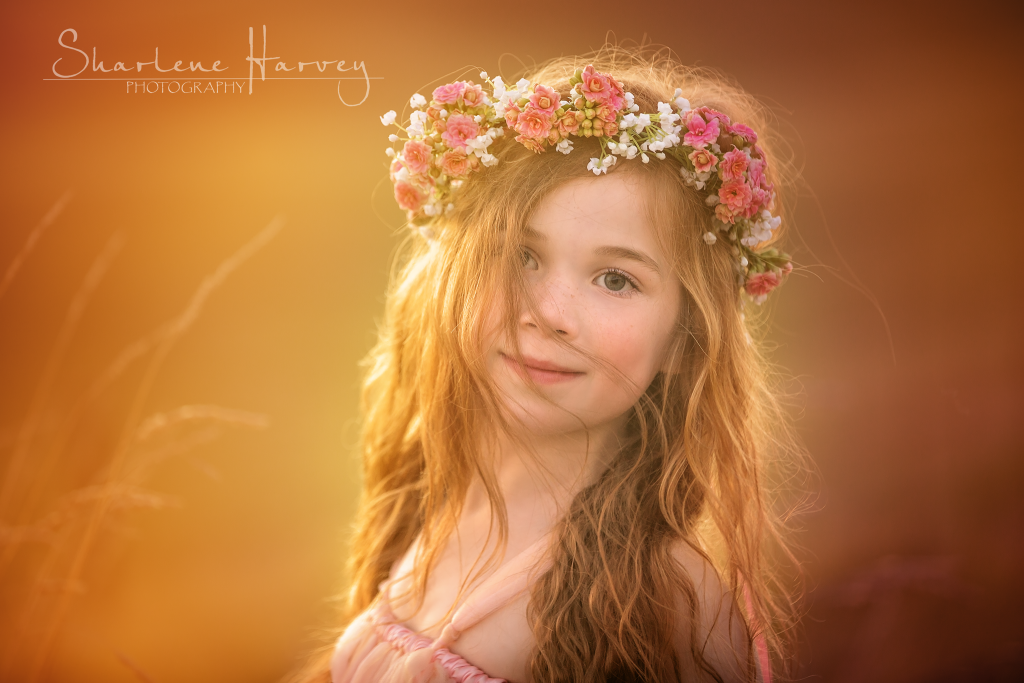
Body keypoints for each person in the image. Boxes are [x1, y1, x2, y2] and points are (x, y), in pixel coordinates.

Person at [298, 43, 805, 683]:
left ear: (685, 340)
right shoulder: (431, 497)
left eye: (616, 279)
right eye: (522, 254)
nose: (550, 312)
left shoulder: (668, 601)